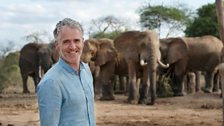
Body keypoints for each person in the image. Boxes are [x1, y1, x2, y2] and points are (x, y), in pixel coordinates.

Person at [37, 18, 96, 126]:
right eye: (66, 42)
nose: (72, 47)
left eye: (76, 40)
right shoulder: (51, 82)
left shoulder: (86, 71)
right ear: (57, 45)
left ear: (83, 42)